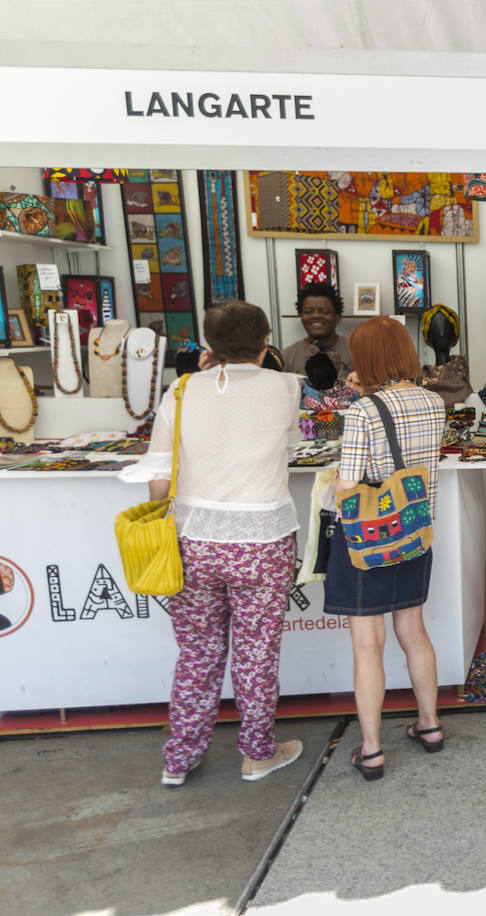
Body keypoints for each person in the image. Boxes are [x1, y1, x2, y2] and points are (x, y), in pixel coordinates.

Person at [120, 302, 304, 786]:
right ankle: (257, 753)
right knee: (256, 652)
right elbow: (289, 444)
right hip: (263, 539)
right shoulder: (286, 386)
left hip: (194, 538)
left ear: (208, 345)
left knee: (197, 653)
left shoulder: (180, 391)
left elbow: (159, 475)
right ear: (267, 343)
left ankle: (179, 758)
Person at [324, 316, 447, 780]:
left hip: (369, 536)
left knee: (367, 644)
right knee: (414, 631)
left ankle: (372, 750)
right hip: (415, 530)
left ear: (367, 359)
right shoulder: (433, 402)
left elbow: (348, 482)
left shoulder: (362, 411)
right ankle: (430, 726)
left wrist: (332, 482)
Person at [281, 282, 352, 376]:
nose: (316, 316)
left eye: (325, 312)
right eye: (308, 312)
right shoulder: (287, 356)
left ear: (337, 317)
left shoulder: (355, 350)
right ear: (301, 316)